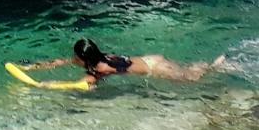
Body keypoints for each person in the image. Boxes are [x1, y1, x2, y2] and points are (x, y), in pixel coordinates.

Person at [21, 36, 228, 88]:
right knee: (188, 73)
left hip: (155, 68)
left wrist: (49, 85)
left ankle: (216, 66)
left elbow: (86, 83)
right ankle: (209, 64)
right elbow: (61, 61)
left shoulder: (103, 67)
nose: (74, 59)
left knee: (191, 79)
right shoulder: (95, 59)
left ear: (85, 57)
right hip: (151, 58)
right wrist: (31, 68)